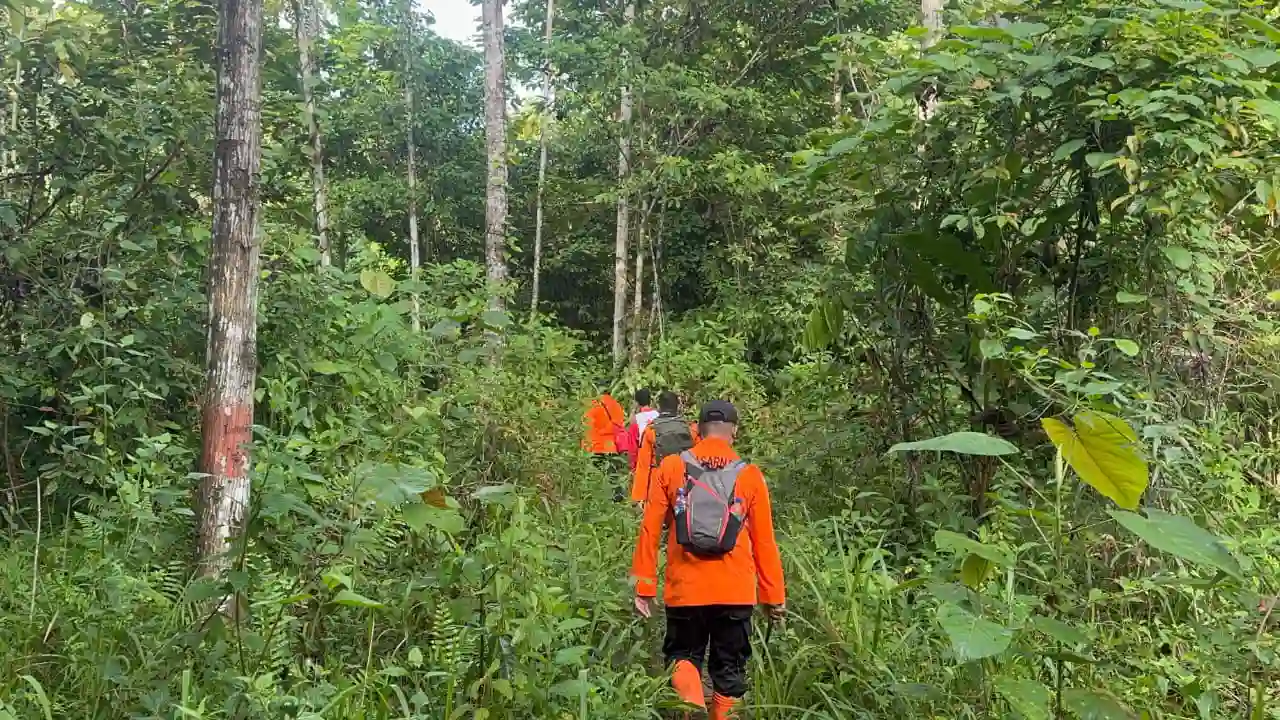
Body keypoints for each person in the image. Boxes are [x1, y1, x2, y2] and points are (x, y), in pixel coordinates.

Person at [630, 400, 785, 719]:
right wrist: (773, 597)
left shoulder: (671, 468)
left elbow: (649, 528)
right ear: (735, 432)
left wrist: (644, 585)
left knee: (684, 657)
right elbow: (764, 542)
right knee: (729, 668)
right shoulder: (750, 475)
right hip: (735, 591)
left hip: (685, 589)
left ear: (697, 431)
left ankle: (693, 705)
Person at [628, 391, 698, 503]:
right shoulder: (691, 430)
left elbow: (643, 466)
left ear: (659, 407)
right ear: (678, 406)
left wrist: (639, 497)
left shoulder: (651, 431)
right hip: (684, 482)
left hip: (658, 482)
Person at [618, 388, 659, 471]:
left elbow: (633, 447)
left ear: (636, 403)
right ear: (650, 401)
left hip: (644, 460)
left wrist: (633, 467)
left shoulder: (636, 420)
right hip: (660, 458)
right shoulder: (658, 415)